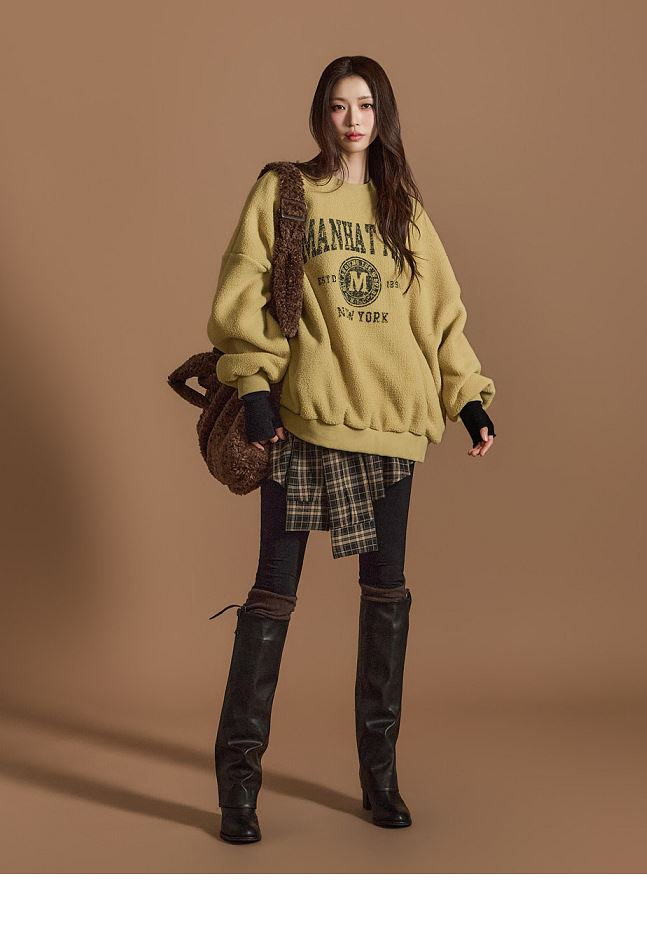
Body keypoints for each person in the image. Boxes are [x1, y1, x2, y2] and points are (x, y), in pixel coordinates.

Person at [206, 56, 497, 844]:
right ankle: (238, 786)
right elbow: (244, 288)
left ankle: (380, 778)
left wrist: (469, 400)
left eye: (366, 105)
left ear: (382, 114)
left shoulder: (404, 208)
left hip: (393, 425)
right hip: (303, 418)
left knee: (386, 595)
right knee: (273, 593)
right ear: (320, 115)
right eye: (339, 106)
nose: (353, 120)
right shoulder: (286, 194)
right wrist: (255, 387)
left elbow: (442, 314)